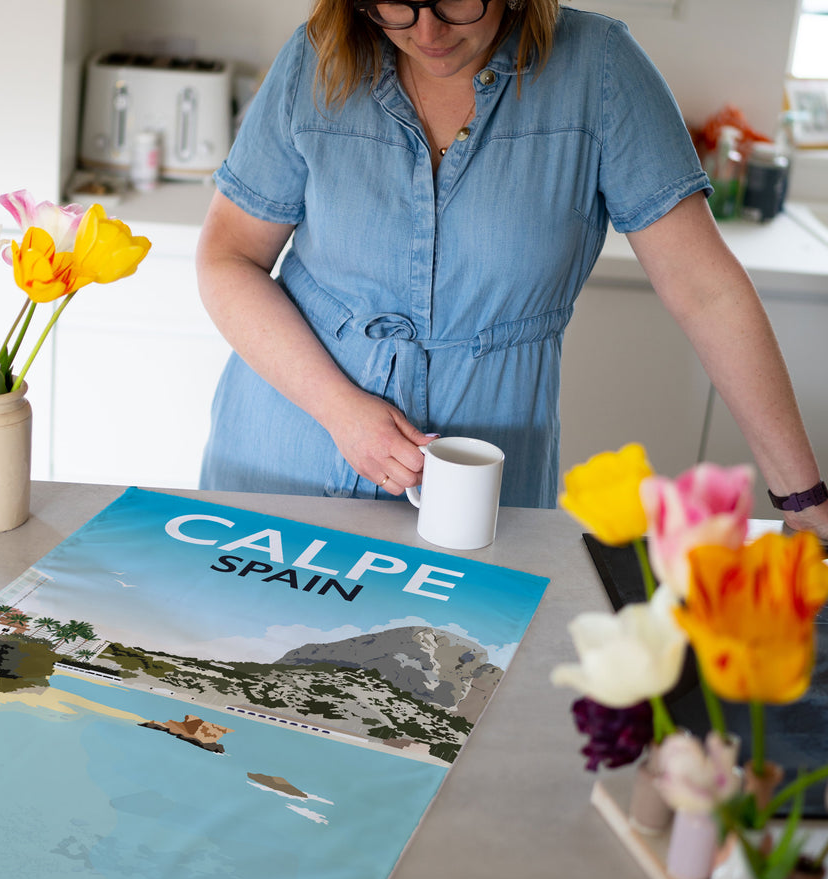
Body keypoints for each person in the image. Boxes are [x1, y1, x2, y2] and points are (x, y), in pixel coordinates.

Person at [196, 0, 828, 541]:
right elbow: (228, 257)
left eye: (456, 2)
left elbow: (707, 292)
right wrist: (338, 410)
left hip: (483, 494)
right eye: (395, 3)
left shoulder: (599, 70)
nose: (428, 32)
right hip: (284, 455)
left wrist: (804, 501)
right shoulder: (318, 57)